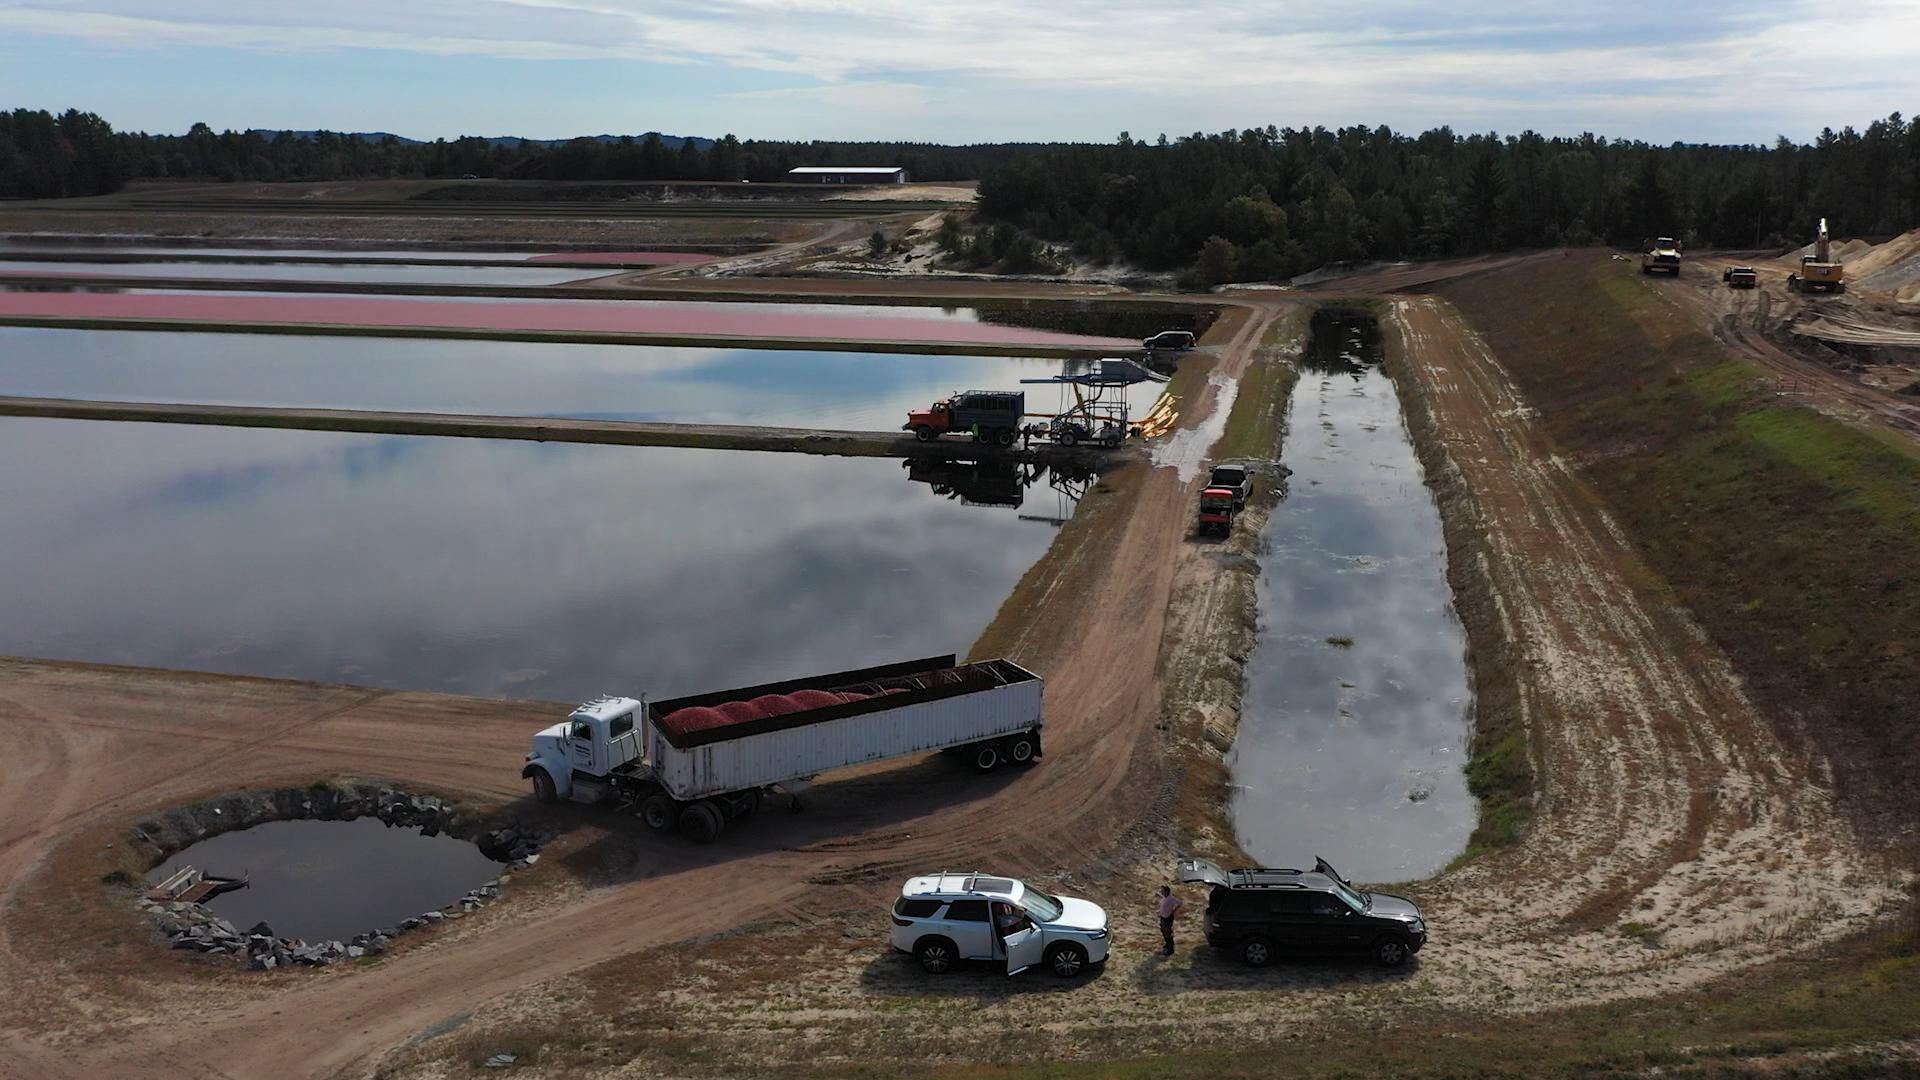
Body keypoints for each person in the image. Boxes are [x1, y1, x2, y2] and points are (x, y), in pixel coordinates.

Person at [1156, 884, 1183, 956]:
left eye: (1163, 891)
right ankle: (1167, 943)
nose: (1161, 892)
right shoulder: (1163, 898)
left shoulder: (1171, 899)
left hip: (1168, 917)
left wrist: (1174, 909)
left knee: (1168, 932)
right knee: (1163, 930)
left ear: (1166, 891)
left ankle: (1170, 949)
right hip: (1162, 917)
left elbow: (1180, 903)